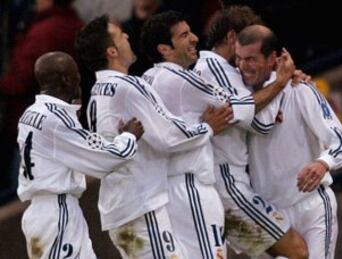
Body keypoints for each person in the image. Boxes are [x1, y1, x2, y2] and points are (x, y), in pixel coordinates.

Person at [141, 10, 295, 259]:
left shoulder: (150, 76)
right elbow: (248, 116)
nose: (194, 39)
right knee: (296, 252)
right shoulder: (203, 69)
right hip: (219, 182)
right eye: (184, 35)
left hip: (183, 186)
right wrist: (279, 82)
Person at [75, 15, 232, 258]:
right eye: (120, 36)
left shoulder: (97, 92)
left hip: (122, 206)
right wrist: (206, 127)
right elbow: (168, 136)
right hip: (140, 206)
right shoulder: (128, 86)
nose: (127, 37)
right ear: (112, 51)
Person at [194, 5, 308, 258]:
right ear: (233, 37)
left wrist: (283, 82)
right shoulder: (215, 68)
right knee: (298, 252)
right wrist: (280, 82)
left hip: (224, 183)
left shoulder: (219, 69)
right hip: (227, 184)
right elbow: (260, 123)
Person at [235, 25, 342, 259]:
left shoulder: (301, 89)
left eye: (251, 59)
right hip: (271, 216)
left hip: (312, 206)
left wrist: (322, 163)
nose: (243, 66)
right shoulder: (239, 99)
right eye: (238, 58)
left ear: (273, 58)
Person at [17, 51, 144, 259]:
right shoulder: (56, 118)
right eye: (75, 73)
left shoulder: (30, 113)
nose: (79, 77)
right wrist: (129, 136)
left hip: (41, 212)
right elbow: (107, 158)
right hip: (56, 212)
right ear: (66, 79)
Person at [0, 0, 83, 191]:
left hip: (33, 124)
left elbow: (20, 79)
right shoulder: (70, 22)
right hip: (57, 124)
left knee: (25, 192)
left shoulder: (46, 32)